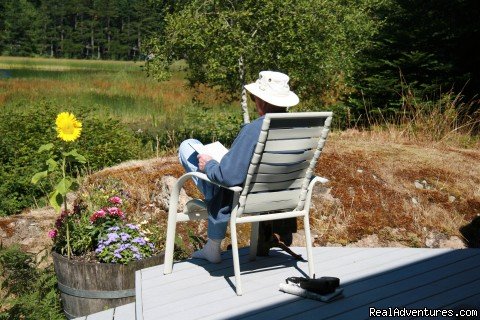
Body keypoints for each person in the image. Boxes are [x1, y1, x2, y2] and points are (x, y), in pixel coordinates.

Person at [178, 71, 299, 263]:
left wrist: (208, 164)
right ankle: (213, 239)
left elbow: (228, 177)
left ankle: (213, 244)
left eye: (254, 98)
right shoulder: (298, 128)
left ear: (262, 101)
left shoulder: (255, 129)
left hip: (242, 196)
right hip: (280, 195)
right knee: (225, 165)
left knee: (188, 146)